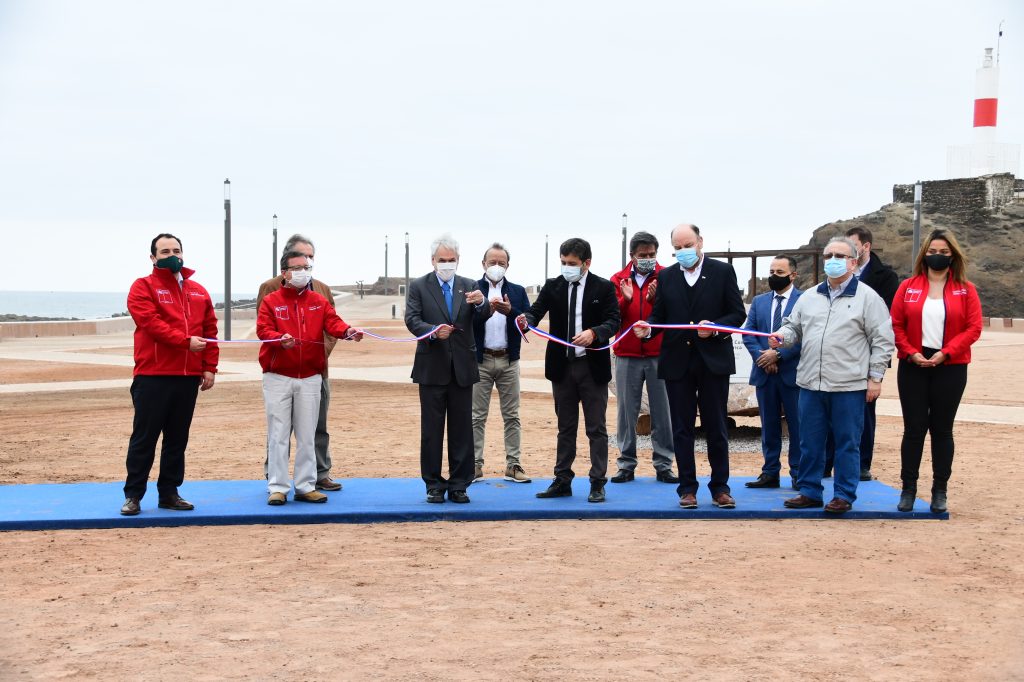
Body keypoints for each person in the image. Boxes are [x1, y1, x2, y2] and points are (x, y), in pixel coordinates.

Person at [770, 237, 895, 515]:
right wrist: (783, 337)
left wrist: (875, 378)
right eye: (828, 256)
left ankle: (843, 494)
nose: (832, 260)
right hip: (811, 384)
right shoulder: (810, 297)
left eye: (839, 255)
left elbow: (883, 340)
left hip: (848, 386)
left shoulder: (868, 298)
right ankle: (810, 491)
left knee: (847, 442)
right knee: (809, 442)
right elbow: (793, 327)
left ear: (852, 262)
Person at [633, 224, 746, 510]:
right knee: (681, 429)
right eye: (678, 247)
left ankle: (720, 488)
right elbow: (660, 318)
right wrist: (647, 330)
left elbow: (737, 313)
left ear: (700, 242)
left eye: (688, 245)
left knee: (716, 426)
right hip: (677, 364)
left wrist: (717, 329)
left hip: (713, 363)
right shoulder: (667, 276)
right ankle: (687, 489)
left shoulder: (722, 271)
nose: (684, 251)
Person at [120, 233, 219, 516]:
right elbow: (150, 323)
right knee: (144, 439)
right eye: (164, 251)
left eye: (176, 250)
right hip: (153, 376)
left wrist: (209, 366)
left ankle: (169, 493)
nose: (171, 254)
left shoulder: (198, 291)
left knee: (177, 439)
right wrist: (184, 341)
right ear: (153, 257)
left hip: (187, 377)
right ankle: (133, 495)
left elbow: (210, 330)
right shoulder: (143, 287)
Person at [516, 237, 620, 503]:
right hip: (562, 368)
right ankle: (562, 480)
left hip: (592, 368)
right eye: (563, 263)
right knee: (565, 427)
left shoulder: (604, 288)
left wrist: (595, 333)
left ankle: (597, 483)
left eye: (572, 263)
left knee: (596, 428)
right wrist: (525, 320)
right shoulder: (553, 286)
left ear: (586, 263)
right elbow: (535, 311)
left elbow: (614, 321)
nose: (566, 267)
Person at [257, 251, 362, 505]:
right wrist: (279, 339)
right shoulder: (271, 301)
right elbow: (263, 329)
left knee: (307, 434)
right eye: (297, 267)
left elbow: (333, 323)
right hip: (277, 376)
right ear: (285, 273)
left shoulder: (318, 300)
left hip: (311, 377)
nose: (304, 271)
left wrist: (348, 332)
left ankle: (305, 485)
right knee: (279, 433)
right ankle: (278, 487)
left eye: (307, 266)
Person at [891, 230, 982, 514]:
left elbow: (973, 327)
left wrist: (946, 353)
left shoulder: (966, 289)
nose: (937, 256)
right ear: (924, 254)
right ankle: (908, 489)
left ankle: (940, 490)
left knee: (942, 430)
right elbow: (896, 324)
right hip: (913, 364)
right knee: (914, 429)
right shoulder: (908, 286)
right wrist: (911, 352)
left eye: (944, 252)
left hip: (950, 367)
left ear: (952, 255)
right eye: (933, 251)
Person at [406, 235, 490, 504]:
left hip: (462, 369)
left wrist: (481, 303)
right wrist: (433, 331)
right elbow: (412, 319)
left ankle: (459, 484)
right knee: (431, 431)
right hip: (431, 368)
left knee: (462, 429)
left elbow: (483, 315)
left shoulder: (469, 285)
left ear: (458, 260)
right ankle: (433, 484)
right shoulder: (419, 286)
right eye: (442, 260)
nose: (447, 264)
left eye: (451, 260)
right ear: (433, 261)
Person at [823, 226, 901, 481]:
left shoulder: (885, 277)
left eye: (849, 249)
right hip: (836, 358)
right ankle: (827, 461)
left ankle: (861, 463)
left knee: (863, 413)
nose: (838, 260)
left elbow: (883, 322)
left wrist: (875, 371)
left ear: (864, 248)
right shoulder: (833, 281)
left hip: (865, 357)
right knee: (831, 412)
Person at [608, 231, 678, 484]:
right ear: (632, 256)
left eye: (652, 255)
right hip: (627, 354)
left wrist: (657, 299)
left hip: (660, 354)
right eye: (642, 255)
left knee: (663, 411)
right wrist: (624, 301)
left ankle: (664, 464)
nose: (648, 259)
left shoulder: (668, 276)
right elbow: (610, 317)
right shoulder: (618, 279)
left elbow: (675, 314)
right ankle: (626, 464)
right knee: (627, 412)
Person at [471, 243, 532, 484]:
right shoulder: (472, 288)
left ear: (508, 265)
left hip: (508, 360)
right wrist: (480, 306)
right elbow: (465, 322)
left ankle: (513, 464)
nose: (497, 267)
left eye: (502, 263)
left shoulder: (517, 291)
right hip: (480, 360)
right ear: (483, 264)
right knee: (476, 417)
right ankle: (474, 465)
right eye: (492, 262)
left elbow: (527, 321)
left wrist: (511, 311)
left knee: (512, 416)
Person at [742, 255, 802, 490]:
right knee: (768, 424)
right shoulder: (760, 301)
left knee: (798, 426)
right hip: (765, 374)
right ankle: (770, 472)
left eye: (780, 272)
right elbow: (749, 333)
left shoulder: (804, 300)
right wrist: (763, 356)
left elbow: (806, 334)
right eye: (772, 271)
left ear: (793, 275)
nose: (774, 276)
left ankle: (798, 472)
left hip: (792, 374)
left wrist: (779, 355)